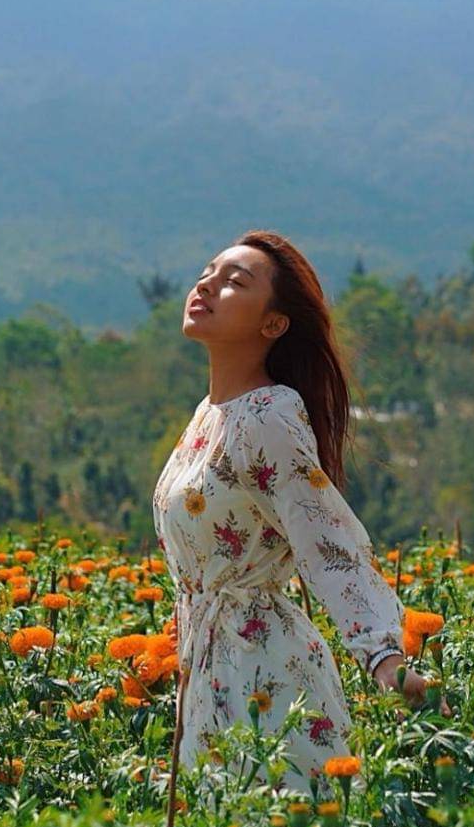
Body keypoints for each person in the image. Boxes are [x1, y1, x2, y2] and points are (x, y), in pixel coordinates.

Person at [152, 230, 450, 797]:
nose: (206, 285)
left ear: (273, 324)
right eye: (208, 273)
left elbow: (326, 538)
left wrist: (383, 657)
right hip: (208, 670)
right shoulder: (209, 415)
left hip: (265, 676)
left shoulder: (268, 414)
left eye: (234, 282)